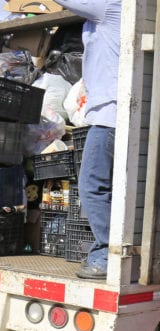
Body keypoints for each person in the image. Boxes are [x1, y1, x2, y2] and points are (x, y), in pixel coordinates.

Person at [53, 0, 121, 279]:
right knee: (112, 188)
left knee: (91, 185)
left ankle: (106, 256)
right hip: (118, 113)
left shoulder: (110, 6)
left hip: (109, 116)